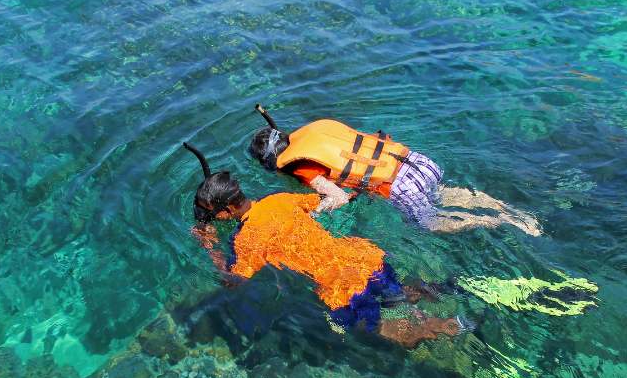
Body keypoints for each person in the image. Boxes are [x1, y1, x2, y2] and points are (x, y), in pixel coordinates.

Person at [183, 142, 462, 348]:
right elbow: (331, 200)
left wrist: (210, 247)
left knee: (373, 327)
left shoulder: (246, 240)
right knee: (396, 292)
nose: (210, 217)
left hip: (339, 286)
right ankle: (440, 291)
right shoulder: (280, 199)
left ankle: (446, 327)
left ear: (227, 209)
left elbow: (235, 281)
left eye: (212, 212)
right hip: (363, 256)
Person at [248, 105, 541, 236]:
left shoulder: (301, 167)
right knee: (445, 194)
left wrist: (311, 213)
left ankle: (498, 221)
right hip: (417, 162)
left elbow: (337, 198)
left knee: (430, 225)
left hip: (400, 186)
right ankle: (511, 210)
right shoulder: (318, 130)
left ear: (272, 161)